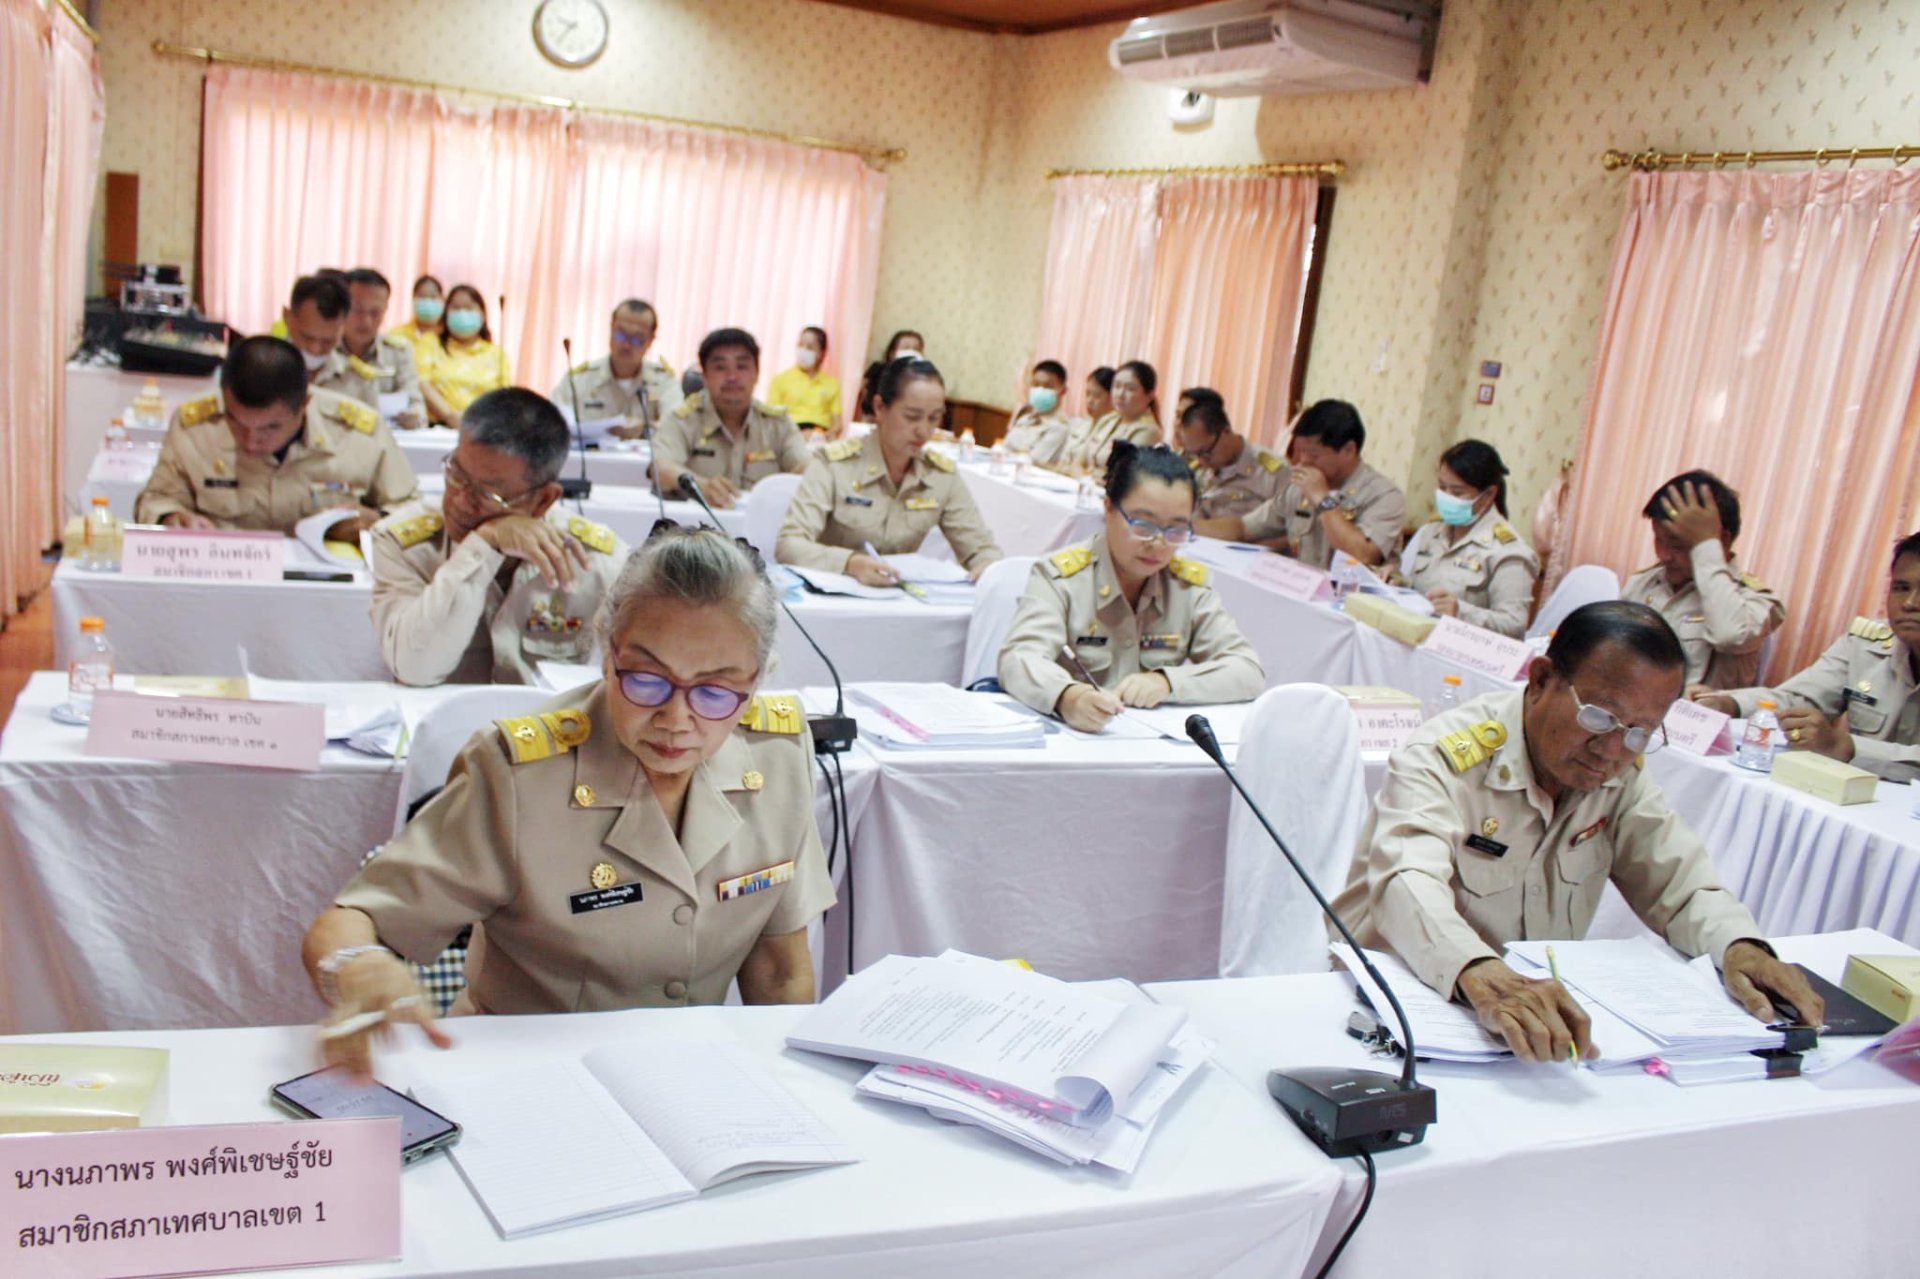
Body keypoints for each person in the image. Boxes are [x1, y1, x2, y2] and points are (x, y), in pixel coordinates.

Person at [305, 527, 833, 1071]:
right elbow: (350, 919)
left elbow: (780, 969)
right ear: (607, 653)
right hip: (525, 1076)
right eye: (647, 681)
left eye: (715, 693)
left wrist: (790, 1089)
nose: (677, 720)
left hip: (690, 1077)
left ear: (757, 683)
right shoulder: (519, 777)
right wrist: (357, 965)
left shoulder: (778, 757)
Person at [1330, 601, 1823, 1062]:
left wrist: (1741, 947)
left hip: (1519, 1021)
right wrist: (1477, 973)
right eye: (1599, 717)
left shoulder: (1618, 776)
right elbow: (1406, 881)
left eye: (1639, 732)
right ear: (1541, 679)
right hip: (1387, 1009)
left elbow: (1680, 886)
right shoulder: (1443, 756)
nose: (1611, 750)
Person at [998, 441, 1265, 733]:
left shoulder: (1187, 588)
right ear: (1109, 508)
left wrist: (1166, 682)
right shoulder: (1061, 578)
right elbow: (1019, 657)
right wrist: (1068, 697)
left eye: (1175, 530)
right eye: (1143, 525)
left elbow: (1247, 671)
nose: (1158, 543)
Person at [370, 388, 628, 686]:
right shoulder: (405, 544)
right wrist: (485, 544)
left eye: (488, 494)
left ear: (543, 500)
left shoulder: (598, 561)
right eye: (457, 475)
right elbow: (416, 668)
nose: (461, 501)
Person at [134, 335, 416, 539]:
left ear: (304, 405)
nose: (250, 441)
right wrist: (171, 517)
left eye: (270, 428)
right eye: (237, 422)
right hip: (225, 579)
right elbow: (156, 499)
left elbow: (413, 512)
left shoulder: (359, 432)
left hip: (325, 590)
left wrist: (378, 521)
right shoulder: (194, 426)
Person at [1692, 531, 1919, 780]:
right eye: (1901, 587)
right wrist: (1726, 704)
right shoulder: (1865, 643)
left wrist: (1845, 746)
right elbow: (1799, 699)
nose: (1910, 602)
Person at [777, 355, 1001, 584]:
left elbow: (981, 549)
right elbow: (789, 545)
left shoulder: (941, 475)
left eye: (934, 418)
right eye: (912, 417)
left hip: (901, 604)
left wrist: (989, 567)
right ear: (880, 407)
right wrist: (850, 563)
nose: (923, 431)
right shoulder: (834, 464)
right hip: (833, 599)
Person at [1620, 471, 1783, 689]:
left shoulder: (1753, 601)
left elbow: (1730, 634)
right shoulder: (1643, 583)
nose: (1665, 556)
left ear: (1721, 540)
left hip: (1694, 719)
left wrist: (1706, 548)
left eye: (1678, 545)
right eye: (1659, 541)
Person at [1198, 399, 1406, 570]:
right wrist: (1184, 527)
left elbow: (1363, 554)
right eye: (1301, 452)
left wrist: (1322, 500)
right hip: (1303, 593)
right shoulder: (1300, 487)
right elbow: (1244, 527)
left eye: (1314, 454)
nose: (1303, 461)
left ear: (1348, 450)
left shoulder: (1384, 495)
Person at [652, 328, 810, 509]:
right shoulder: (682, 419)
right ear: (704, 375)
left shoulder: (778, 423)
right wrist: (700, 485)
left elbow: (805, 466)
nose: (732, 377)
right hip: (696, 529)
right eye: (720, 367)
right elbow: (660, 468)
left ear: (756, 373)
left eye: (742, 367)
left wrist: (802, 476)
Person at [1400, 440, 1539, 638]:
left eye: (1457, 492)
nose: (1446, 497)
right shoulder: (1431, 530)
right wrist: (1395, 581)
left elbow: (1514, 625)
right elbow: (1412, 586)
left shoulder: (1508, 551)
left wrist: (1461, 612)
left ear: (1489, 494)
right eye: (1442, 487)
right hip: (1414, 636)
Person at [549, 298, 681, 441]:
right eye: (620, 335)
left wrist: (644, 428)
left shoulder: (664, 382)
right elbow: (551, 423)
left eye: (637, 339)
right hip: (592, 462)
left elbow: (676, 429)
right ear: (611, 329)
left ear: (651, 340)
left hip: (643, 463)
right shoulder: (579, 380)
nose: (626, 345)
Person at [313, 268, 425, 429]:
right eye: (357, 310)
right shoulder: (321, 347)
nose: (366, 321)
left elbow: (416, 404)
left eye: (375, 313)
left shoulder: (397, 351)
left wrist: (412, 416)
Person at [1174, 399, 1286, 524]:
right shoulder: (1197, 470)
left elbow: (1290, 533)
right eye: (1195, 455)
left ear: (1225, 431)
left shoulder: (1273, 472)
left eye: (1206, 452)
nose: (1202, 462)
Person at [419, 284, 511, 429]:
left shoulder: (496, 354)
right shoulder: (430, 343)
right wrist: (448, 415)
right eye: (456, 308)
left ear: (482, 314)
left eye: (468, 308)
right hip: (437, 426)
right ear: (446, 313)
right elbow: (422, 382)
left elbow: (504, 398)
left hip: (482, 430)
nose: (462, 314)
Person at [1062, 359, 1160, 474]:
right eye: (1117, 386)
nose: (1120, 394)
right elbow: (1077, 463)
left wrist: (1087, 476)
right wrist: (1085, 478)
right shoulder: (1107, 420)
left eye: (1130, 389)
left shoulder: (1148, 431)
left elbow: (1123, 477)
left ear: (1149, 395)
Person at [766, 326, 843, 439]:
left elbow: (837, 424)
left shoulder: (832, 384)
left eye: (810, 347)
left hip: (821, 436)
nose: (803, 350)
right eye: (800, 345)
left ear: (821, 353)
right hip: (790, 435)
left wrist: (825, 435)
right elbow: (772, 418)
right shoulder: (781, 379)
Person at [1001, 360, 1072, 465]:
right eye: (1036, 385)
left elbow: (1032, 461)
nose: (1040, 390)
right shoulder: (1026, 418)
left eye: (1048, 386)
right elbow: (1004, 448)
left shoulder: (1059, 427)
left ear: (1063, 391)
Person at [856, 329, 925, 422]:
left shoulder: (921, 379)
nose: (912, 353)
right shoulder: (878, 369)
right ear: (892, 353)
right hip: (872, 418)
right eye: (906, 348)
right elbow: (862, 395)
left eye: (916, 349)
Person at [386, 274, 446, 373]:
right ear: (413, 299)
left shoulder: (448, 337)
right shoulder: (395, 336)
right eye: (422, 296)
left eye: (433, 297)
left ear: (442, 300)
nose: (427, 302)